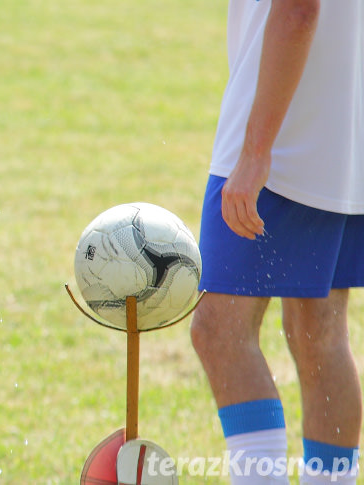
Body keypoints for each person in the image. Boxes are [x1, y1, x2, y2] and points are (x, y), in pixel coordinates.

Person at [190, 1, 363, 484]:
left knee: (219, 329)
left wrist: (256, 151)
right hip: (338, 124)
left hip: (287, 139)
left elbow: (298, 9)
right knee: (319, 332)